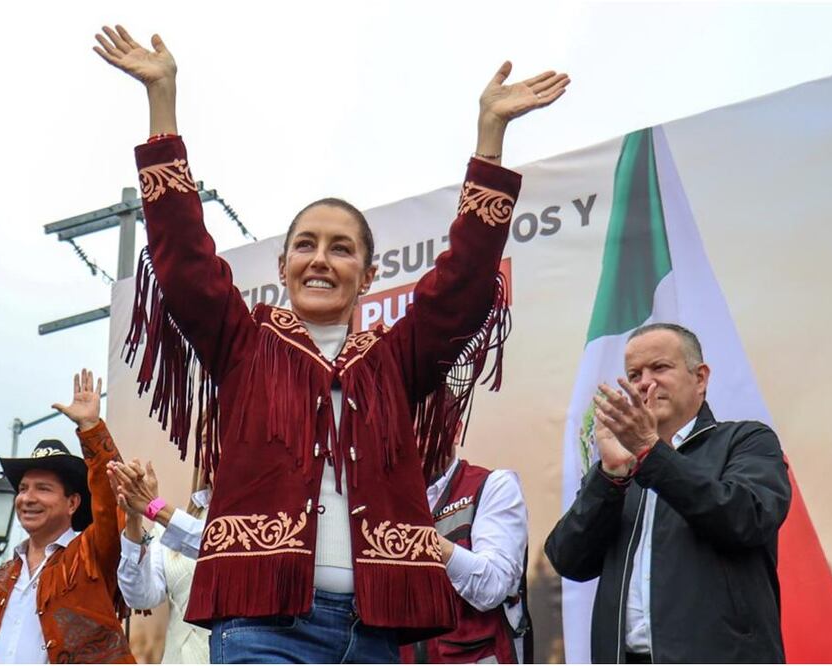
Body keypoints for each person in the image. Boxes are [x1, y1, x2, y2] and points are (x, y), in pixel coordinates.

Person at [94, 24, 568, 662]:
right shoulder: (245, 345)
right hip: (262, 627)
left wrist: (491, 137)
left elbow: (461, 284)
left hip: (372, 633)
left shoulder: (392, 361)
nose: (321, 259)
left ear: (367, 276)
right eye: (306, 245)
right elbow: (182, 258)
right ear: (284, 265)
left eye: (341, 249)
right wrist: (162, 101)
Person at [545, 323, 791, 663]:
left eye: (659, 367)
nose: (645, 383)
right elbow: (567, 559)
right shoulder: (620, 467)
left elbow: (746, 519)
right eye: (634, 375)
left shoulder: (746, 440)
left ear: (700, 378)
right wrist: (610, 475)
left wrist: (651, 452)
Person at [0, 369, 134, 663]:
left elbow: (113, 500)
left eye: (43, 488)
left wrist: (91, 428)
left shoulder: (89, 555)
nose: (28, 498)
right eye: (23, 488)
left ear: (72, 503)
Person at [401, 440, 531, 664]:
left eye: (429, 429)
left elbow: (492, 586)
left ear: (456, 430)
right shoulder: (386, 497)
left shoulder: (493, 485)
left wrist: (427, 541)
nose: (419, 441)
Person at [113, 459, 211, 663]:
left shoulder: (262, 519)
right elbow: (140, 596)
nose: (217, 449)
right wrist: (134, 517)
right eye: (205, 443)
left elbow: (217, 544)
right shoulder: (172, 525)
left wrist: (154, 507)